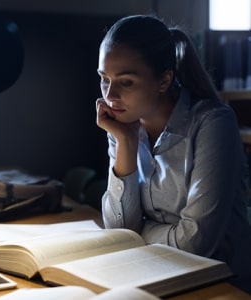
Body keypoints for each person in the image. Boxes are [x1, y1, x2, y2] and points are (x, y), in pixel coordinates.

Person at [96, 14, 251, 293]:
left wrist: (139, 232)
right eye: (104, 79)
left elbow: (196, 244)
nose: (110, 95)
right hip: (151, 274)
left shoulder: (213, 124)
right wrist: (126, 144)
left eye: (126, 82)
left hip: (220, 287)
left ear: (164, 80)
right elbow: (119, 229)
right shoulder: (123, 124)